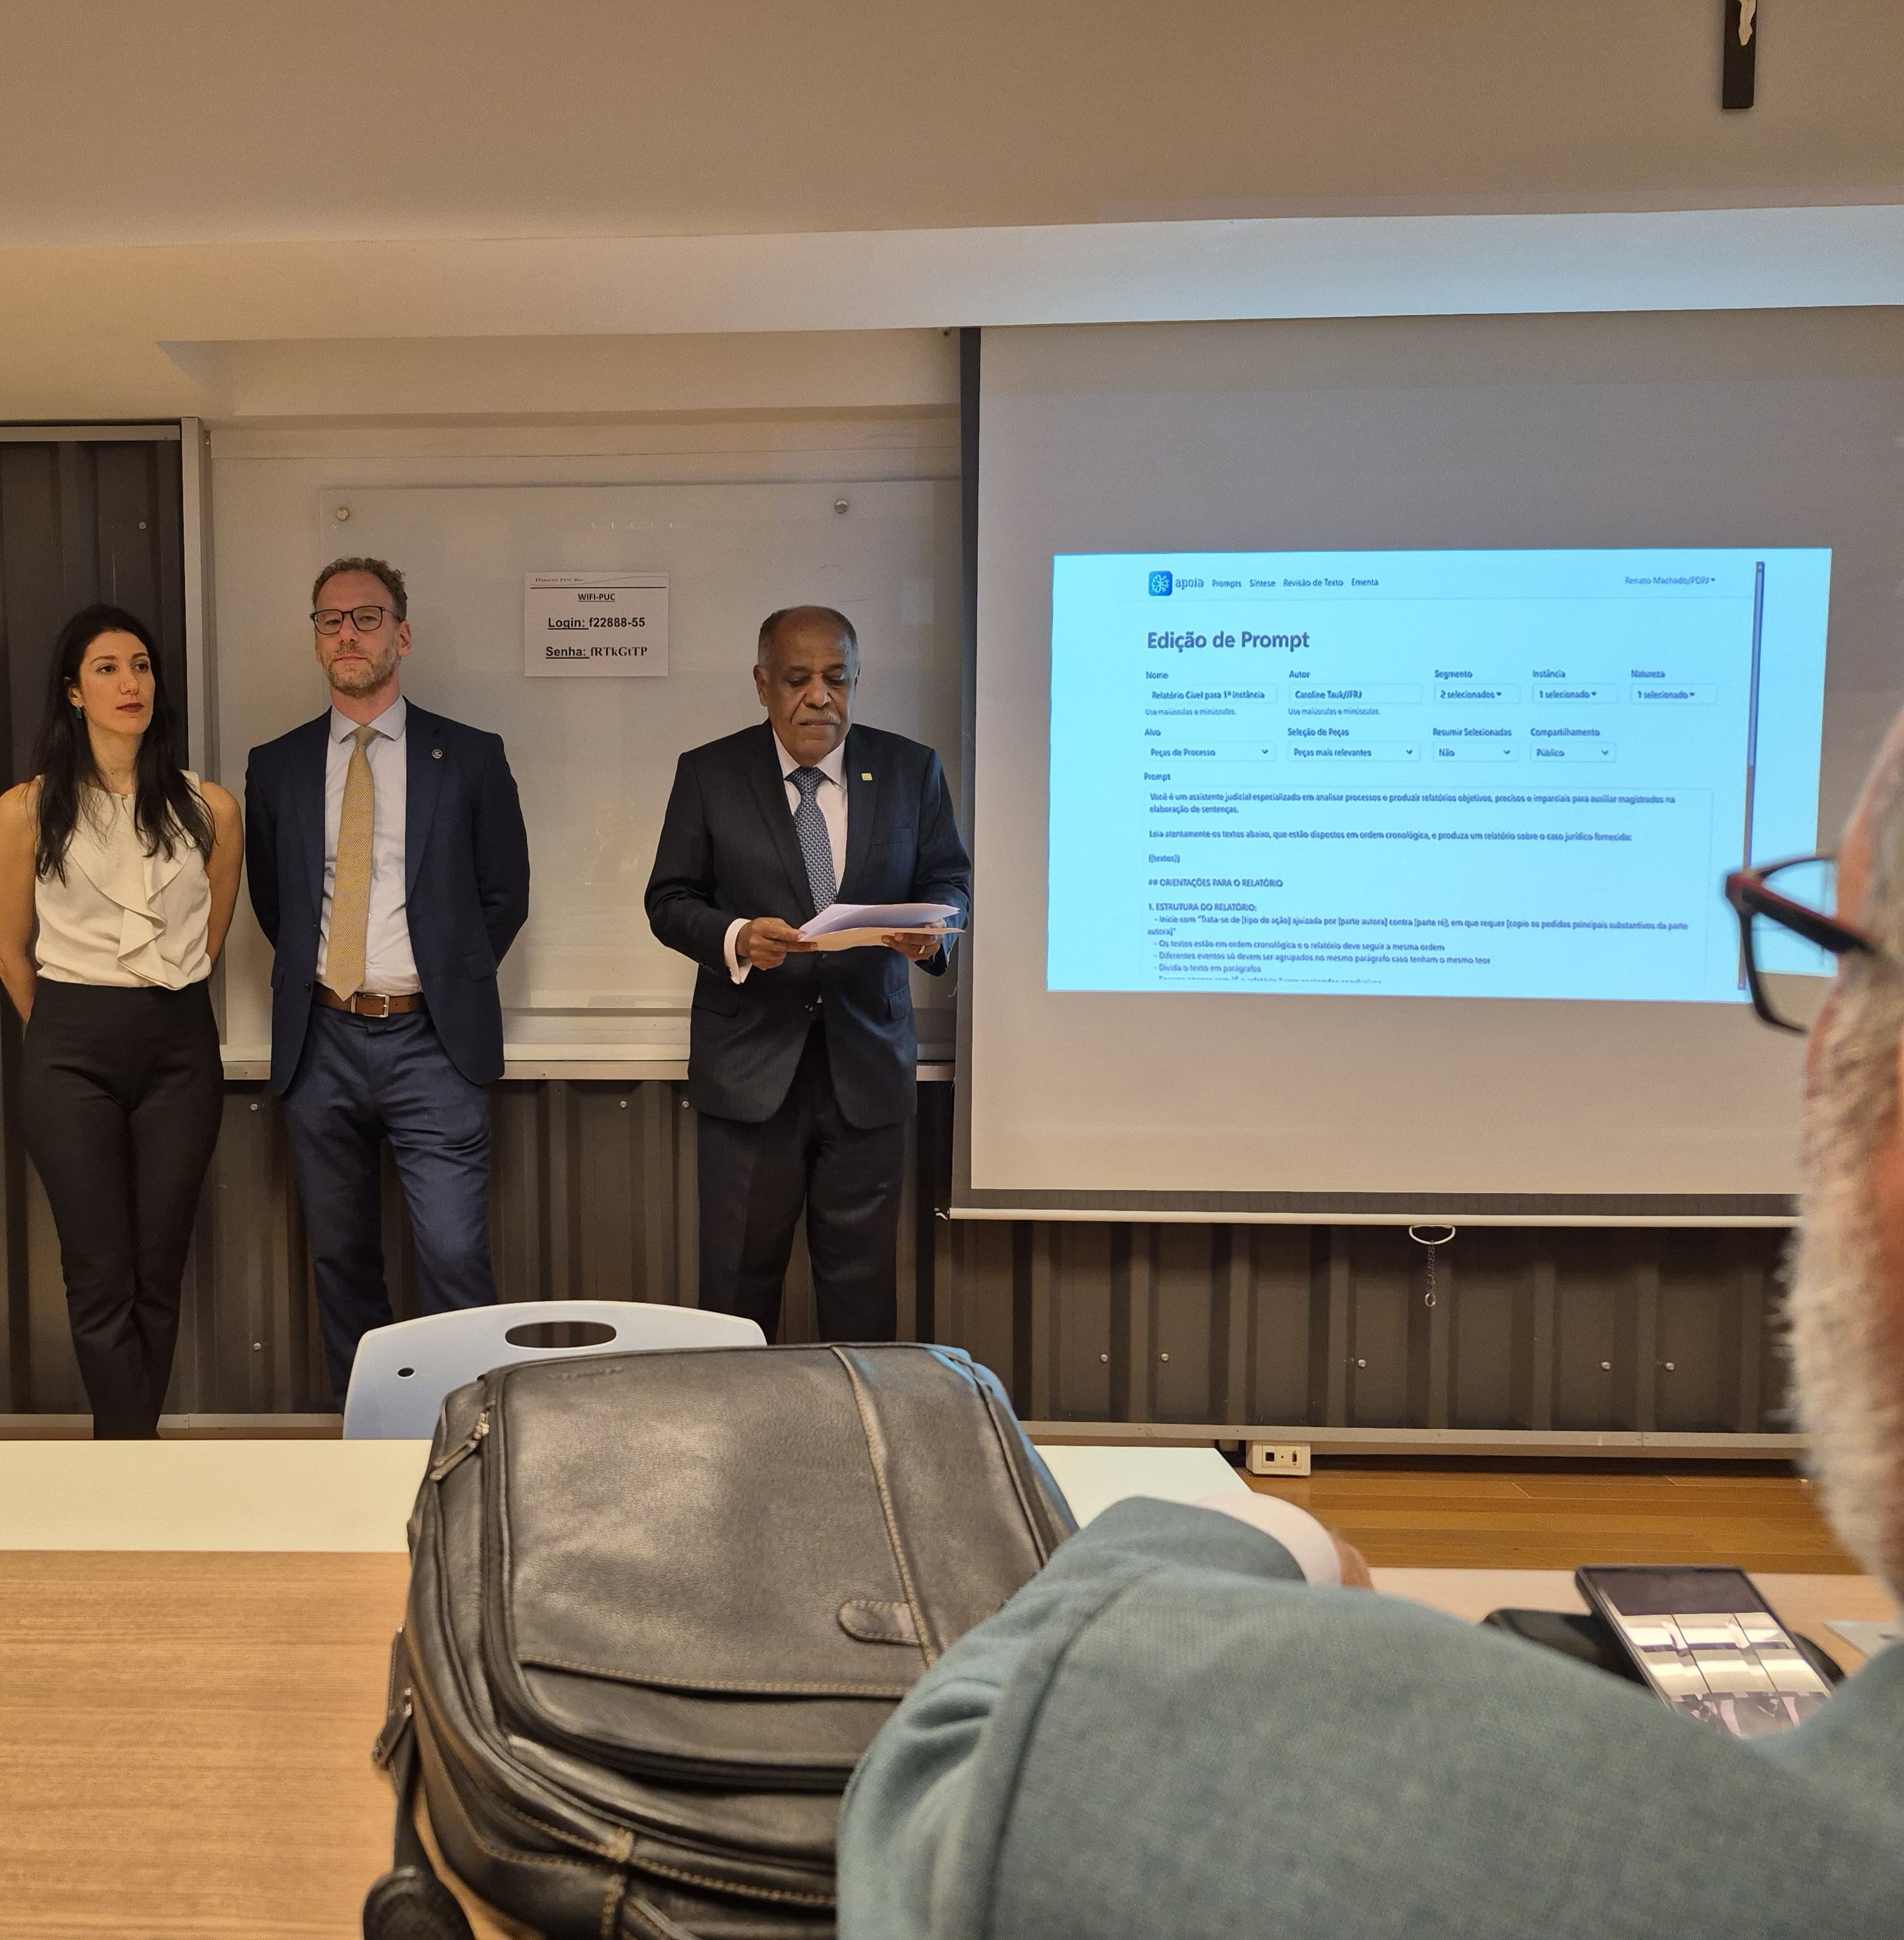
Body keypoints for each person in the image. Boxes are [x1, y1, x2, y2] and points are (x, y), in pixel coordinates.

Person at [837, 711, 1904, 1937]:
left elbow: (941, 1802)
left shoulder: (1535, 1834)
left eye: (1841, 962)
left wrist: (1236, 1536)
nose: (1819, 1054)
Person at [244, 557, 530, 1403]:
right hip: (321, 1039)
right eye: (330, 620)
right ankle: (368, 1436)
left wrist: (445, 979)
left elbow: (504, 894)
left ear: (401, 636)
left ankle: (471, 1438)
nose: (348, 634)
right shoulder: (278, 765)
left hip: (432, 1041)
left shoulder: (469, 756)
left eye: (366, 618)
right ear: (316, 640)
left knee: (452, 1253)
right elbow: (276, 900)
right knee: (341, 1259)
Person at [644, 605, 970, 1341]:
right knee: (737, 1285)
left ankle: (857, 1415)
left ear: (855, 680)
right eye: (797, 679)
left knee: (861, 1288)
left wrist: (932, 932)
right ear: (763, 684)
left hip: (867, 1066)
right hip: (750, 1070)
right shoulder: (709, 773)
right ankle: (735, 1417)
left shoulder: (910, 768)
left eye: (836, 678)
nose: (819, 697)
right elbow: (669, 900)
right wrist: (735, 937)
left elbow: (949, 877)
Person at [0, 605, 241, 1439]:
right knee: (98, 1272)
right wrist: (70, 1027)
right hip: (70, 1048)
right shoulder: (26, 810)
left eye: (141, 666)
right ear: (73, 692)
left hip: (180, 1044)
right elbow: (9, 950)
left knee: (158, 1269)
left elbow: (210, 934)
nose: (130, 683)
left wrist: (152, 1007)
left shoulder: (210, 807)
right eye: (106, 668)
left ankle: (130, 1451)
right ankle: (126, 1453)